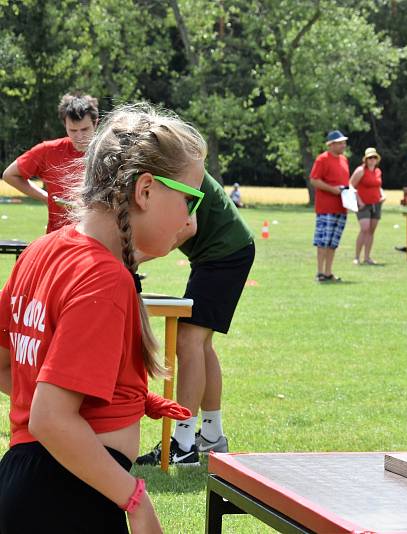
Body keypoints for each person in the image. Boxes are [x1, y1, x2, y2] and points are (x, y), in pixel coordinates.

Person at [0, 103, 206, 532]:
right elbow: (50, 417)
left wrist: (120, 398)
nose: (191, 219)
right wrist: (135, 499)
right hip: (68, 497)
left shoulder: (42, 251)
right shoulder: (104, 279)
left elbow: (12, 366)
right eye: (189, 198)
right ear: (146, 190)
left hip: (30, 483)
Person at [136, 171, 254, 466]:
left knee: (188, 339)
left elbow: (187, 226)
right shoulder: (168, 161)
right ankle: (212, 436)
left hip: (224, 253)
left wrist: (135, 257)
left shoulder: (174, 165)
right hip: (222, 253)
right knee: (199, 344)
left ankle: (184, 443)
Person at [2, 93, 99, 233]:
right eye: (72, 130)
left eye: (84, 129)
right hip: (58, 240)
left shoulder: (108, 151)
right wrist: (45, 197)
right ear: (64, 124)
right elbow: (9, 175)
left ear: (95, 123)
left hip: (98, 240)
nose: (79, 136)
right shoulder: (48, 150)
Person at [309, 130, 350, 282]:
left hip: (341, 208)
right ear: (331, 144)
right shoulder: (322, 159)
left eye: (344, 143)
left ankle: (328, 272)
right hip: (326, 208)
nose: (343, 145)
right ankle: (320, 272)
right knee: (323, 241)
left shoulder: (344, 160)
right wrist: (334, 190)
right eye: (340, 143)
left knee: (333, 243)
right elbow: (314, 180)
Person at [350, 147, 385, 265]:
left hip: (376, 203)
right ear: (365, 159)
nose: (372, 159)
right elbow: (350, 186)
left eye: (374, 157)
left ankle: (367, 257)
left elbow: (378, 186)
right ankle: (356, 257)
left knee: (371, 231)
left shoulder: (378, 171)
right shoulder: (360, 170)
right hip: (362, 205)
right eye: (370, 157)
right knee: (364, 229)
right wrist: (359, 201)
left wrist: (383, 195)